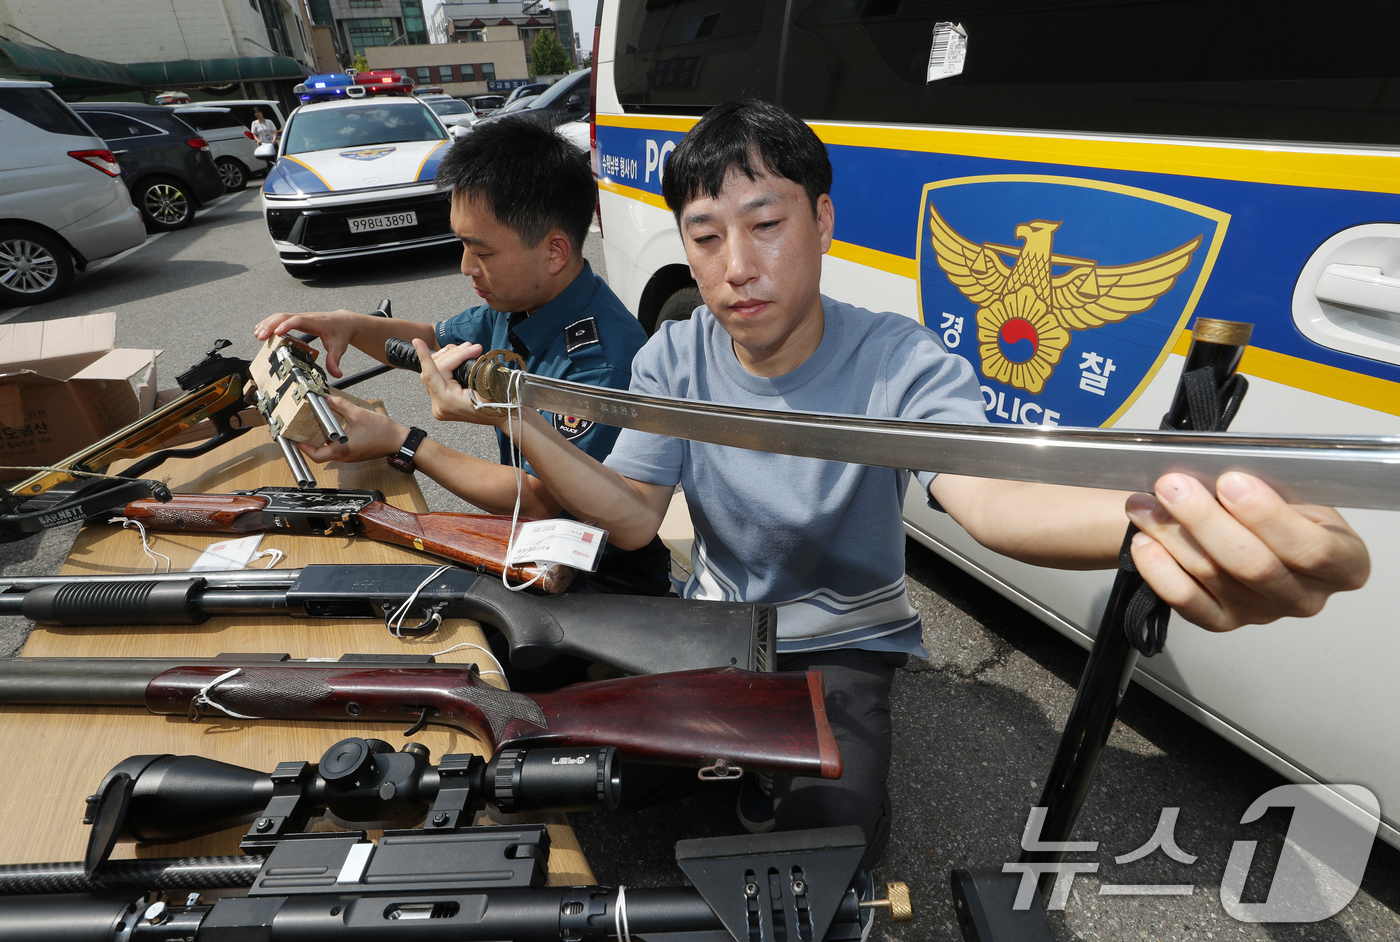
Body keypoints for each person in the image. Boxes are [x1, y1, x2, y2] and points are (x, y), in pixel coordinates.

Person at [403, 100, 1370, 867]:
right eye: (703, 238)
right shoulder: (675, 353)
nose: (736, 269)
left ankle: (830, 771)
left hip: (845, 637)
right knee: (567, 775)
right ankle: (722, 749)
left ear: (822, 219)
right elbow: (629, 518)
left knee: (824, 841)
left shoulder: (897, 362)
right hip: (714, 625)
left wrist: (1157, 517)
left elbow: (995, 496)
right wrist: (510, 416)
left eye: (766, 223)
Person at [252, 115, 672, 610]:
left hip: (600, 580)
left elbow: (542, 499)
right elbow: (431, 341)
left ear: (555, 250)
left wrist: (404, 442)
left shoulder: (602, 361)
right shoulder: (522, 300)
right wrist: (349, 322)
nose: (466, 266)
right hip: (533, 546)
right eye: (462, 244)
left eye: (482, 251)